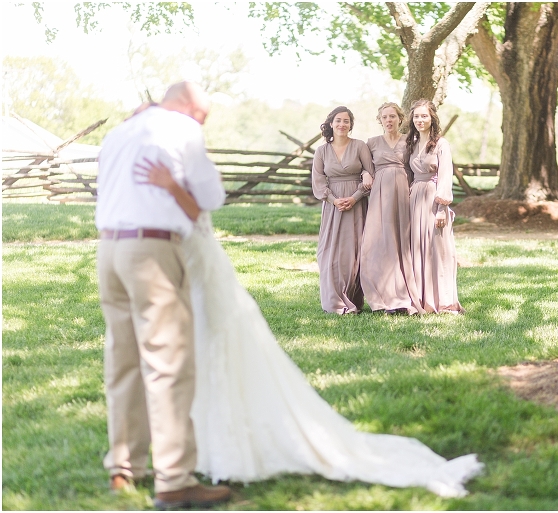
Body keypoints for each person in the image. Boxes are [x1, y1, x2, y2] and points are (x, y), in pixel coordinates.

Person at [135, 162, 485, 497]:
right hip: (178, 264)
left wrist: (170, 187)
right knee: (196, 352)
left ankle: (217, 448)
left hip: (197, 261)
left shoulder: (186, 163)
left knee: (221, 348)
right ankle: (196, 445)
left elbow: (207, 202)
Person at [95, 81, 232, 510]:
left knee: (123, 360)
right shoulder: (181, 127)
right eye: (202, 115)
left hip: (109, 248)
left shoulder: (118, 132)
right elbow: (211, 196)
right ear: (187, 105)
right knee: (167, 361)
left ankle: (124, 467)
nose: (201, 123)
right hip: (151, 249)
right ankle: (174, 479)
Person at [360, 102, 424, 315]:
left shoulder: (410, 141)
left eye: (392, 116)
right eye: (385, 117)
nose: (389, 120)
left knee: (400, 241)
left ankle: (402, 296)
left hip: (403, 192)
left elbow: (416, 166)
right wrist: (365, 173)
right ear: (380, 120)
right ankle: (382, 296)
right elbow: (363, 166)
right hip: (379, 194)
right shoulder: (371, 143)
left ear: (400, 119)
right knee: (378, 242)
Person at [311, 106, 374, 314]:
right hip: (333, 207)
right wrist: (334, 200)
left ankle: (354, 297)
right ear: (331, 123)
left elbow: (371, 174)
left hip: (357, 205)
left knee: (354, 251)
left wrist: (355, 197)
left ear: (351, 125)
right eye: (338, 120)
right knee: (329, 252)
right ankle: (334, 299)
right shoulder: (321, 151)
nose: (342, 124)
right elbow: (318, 181)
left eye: (346, 121)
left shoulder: (360, 146)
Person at [406, 99, 464, 314]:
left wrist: (441, 208)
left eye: (424, 116)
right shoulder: (411, 144)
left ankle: (442, 300)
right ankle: (421, 298)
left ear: (432, 119)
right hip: (415, 199)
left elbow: (445, 176)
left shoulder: (441, 144)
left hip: (433, 199)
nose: (420, 120)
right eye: (416, 116)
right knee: (418, 248)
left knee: (437, 249)